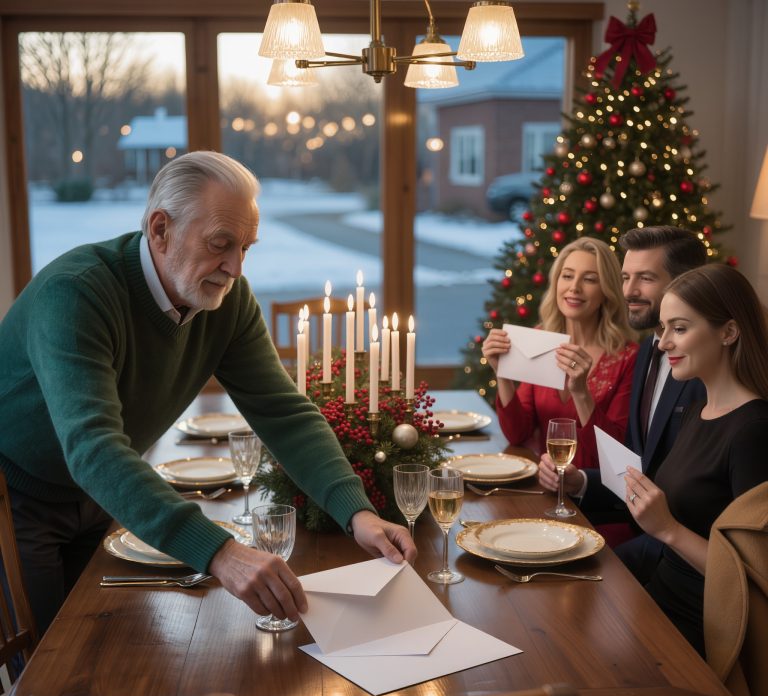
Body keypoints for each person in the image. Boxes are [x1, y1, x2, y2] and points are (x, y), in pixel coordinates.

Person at [0, 150, 415, 636]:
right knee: (47, 674)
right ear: (160, 229)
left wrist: (357, 512)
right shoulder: (76, 293)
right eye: (221, 244)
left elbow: (283, 413)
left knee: (113, 651)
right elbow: (93, 449)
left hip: (103, 496)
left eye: (246, 247)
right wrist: (221, 552)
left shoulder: (226, 299)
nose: (235, 268)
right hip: (17, 495)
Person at [620, 264, 768, 655]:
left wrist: (667, 529)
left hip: (703, 629)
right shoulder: (697, 412)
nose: (663, 343)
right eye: (663, 328)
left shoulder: (753, 431)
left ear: (729, 332)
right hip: (657, 600)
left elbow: (753, 578)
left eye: (679, 329)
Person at [538, 226, 707, 548]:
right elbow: (636, 464)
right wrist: (582, 481)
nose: (629, 291)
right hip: (634, 521)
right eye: (626, 277)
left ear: (684, 283)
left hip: (676, 544)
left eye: (645, 278)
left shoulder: (701, 368)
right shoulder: (648, 350)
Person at [481, 236, 637, 469]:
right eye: (567, 276)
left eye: (590, 279)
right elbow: (517, 434)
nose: (574, 287)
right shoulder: (541, 340)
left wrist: (581, 393)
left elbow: (614, 454)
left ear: (606, 290)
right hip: (545, 485)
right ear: (556, 283)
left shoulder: (627, 357)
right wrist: (502, 373)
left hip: (595, 497)